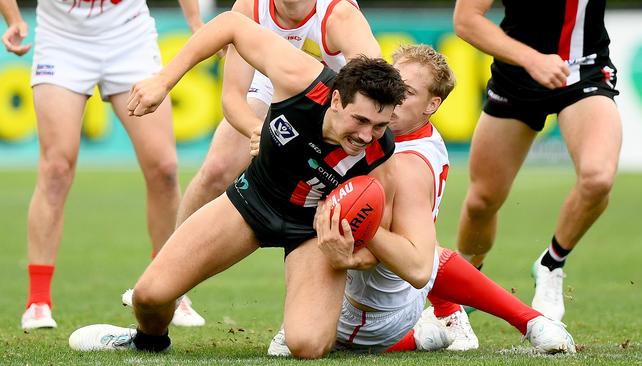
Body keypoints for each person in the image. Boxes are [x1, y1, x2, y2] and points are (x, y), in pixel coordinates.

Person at [68, 11, 407, 359]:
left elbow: (375, 242)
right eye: (360, 120)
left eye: (379, 126)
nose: (367, 135)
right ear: (337, 100)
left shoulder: (382, 157)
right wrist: (163, 81)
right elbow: (229, 24)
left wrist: (347, 258)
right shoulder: (302, 77)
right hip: (252, 201)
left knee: (307, 345)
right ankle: (147, 340)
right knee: (149, 296)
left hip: (312, 231)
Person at [266, 44, 576, 356]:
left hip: (367, 311)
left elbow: (411, 262)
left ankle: (499, 321)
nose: (393, 99)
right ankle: (458, 324)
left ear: (432, 104)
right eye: (394, 85)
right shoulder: (412, 136)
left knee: (336, 215)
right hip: (404, 297)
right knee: (418, 243)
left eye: (408, 93)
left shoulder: (406, 165)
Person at [0, 0, 207, 330]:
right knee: (56, 169)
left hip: (129, 36)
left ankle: (173, 289)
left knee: (164, 169)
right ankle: (38, 301)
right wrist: (12, 18)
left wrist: (195, 22)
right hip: (61, 39)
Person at [450, 0, 630, 322]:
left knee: (598, 177)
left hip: (584, 71)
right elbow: (466, 21)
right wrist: (531, 59)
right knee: (482, 201)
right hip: (515, 78)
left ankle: (551, 264)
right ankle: (462, 290)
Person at [175, 0, 381, 229]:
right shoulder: (249, 7)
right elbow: (233, 99)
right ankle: (169, 261)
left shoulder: (340, 16)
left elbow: (373, 91)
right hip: (270, 84)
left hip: (331, 102)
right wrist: (260, 132)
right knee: (217, 168)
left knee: (356, 198)